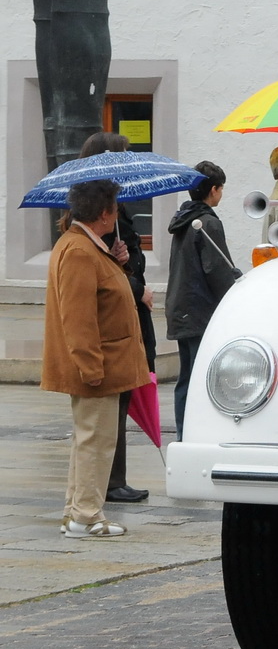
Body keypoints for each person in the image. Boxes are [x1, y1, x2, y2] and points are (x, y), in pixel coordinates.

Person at [41, 179, 149, 538]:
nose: (117, 213)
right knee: (96, 442)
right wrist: (90, 367)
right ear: (104, 213)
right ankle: (86, 517)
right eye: (115, 207)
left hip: (106, 363)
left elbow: (105, 295)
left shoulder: (88, 246)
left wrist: (119, 262)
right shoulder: (79, 250)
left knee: (90, 440)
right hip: (100, 366)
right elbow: (78, 317)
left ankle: (76, 511)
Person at [76, 132, 154, 504]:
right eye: (123, 156)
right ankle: (106, 485)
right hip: (115, 331)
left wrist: (130, 270)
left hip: (129, 318)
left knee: (118, 408)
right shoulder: (95, 226)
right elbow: (99, 290)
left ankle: (111, 480)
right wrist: (134, 281)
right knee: (106, 416)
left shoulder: (117, 216)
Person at [166, 162, 242, 440]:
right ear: (213, 189)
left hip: (181, 308)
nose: (221, 194)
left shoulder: (183, 220)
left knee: (186, 376)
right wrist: (234, 298)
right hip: (200, 310)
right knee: (199, 377)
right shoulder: (207, 223)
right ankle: (195, 434)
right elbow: (217, 270)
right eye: (221, 189)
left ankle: (184, 434)